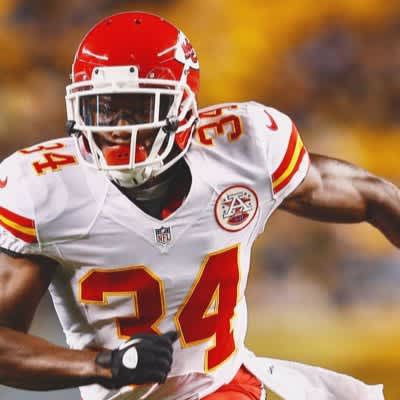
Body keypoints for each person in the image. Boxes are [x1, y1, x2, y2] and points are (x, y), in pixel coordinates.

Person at [0, 11, 398, 400]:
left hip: (222, 385)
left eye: (137, 108)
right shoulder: (43, 191)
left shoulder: (244, 149)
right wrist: (106, 365)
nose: (119, 127)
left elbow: (373, 196)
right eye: (103, 108)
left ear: (182, 108)